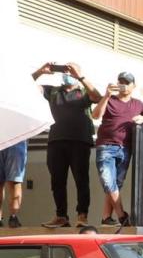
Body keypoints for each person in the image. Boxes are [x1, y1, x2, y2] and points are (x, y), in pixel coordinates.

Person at [33, 62, 100, 228]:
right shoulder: (54, 91)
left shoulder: (83, 92)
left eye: (70, 71)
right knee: (57, 180)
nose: (67, 74)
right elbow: (27, 85)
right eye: (65, 71)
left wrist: (80, 77)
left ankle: (82, 215)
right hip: (56, 140)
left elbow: (97, 96)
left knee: (81, 179)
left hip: (80, 140)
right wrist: (40, 71)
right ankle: (61, 215)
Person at [91, 71, 143, 226]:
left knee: (115, 184)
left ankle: (106, 218)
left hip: (125, 148)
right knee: (108, 181)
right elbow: (95, 115)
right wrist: (106, 96)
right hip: (106, 146)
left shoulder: (138, 104)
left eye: (127, 82)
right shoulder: (110, 99)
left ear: (133, 86)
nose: (123, 85)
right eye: (121, 82)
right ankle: (122, 216)